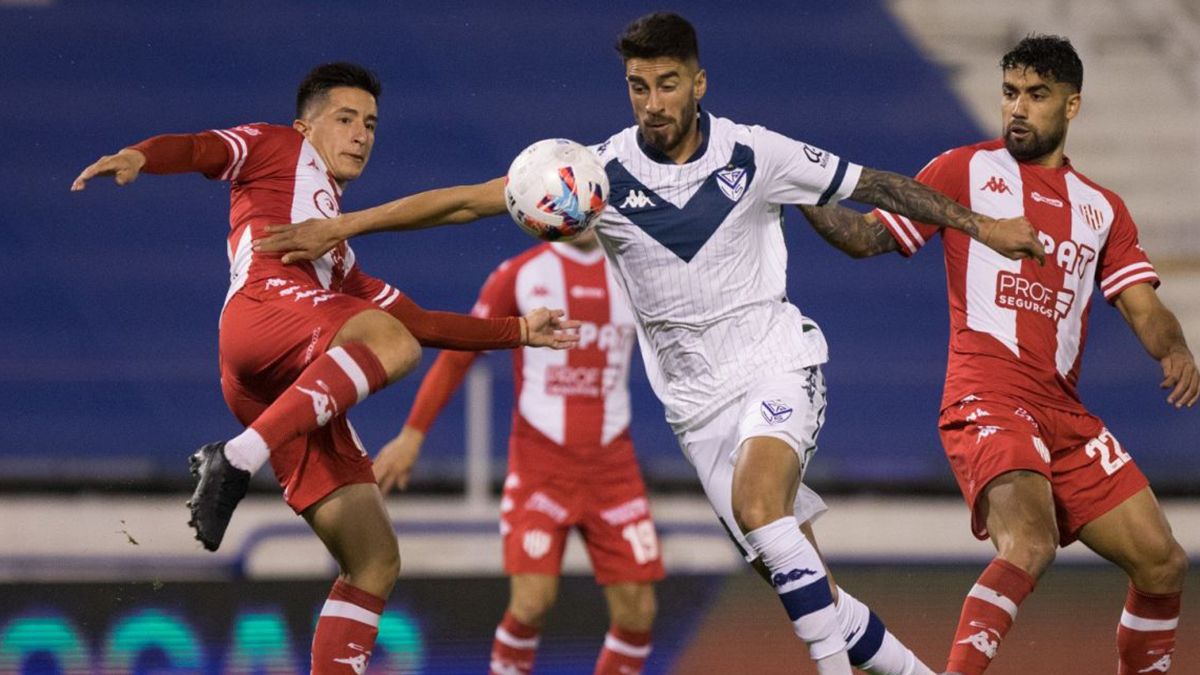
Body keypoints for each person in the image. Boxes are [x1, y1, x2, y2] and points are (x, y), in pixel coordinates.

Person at [256, 15, 1048, 674]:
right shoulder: (598, 175)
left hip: (775, 360)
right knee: (809, 586)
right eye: (639, 86)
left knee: (760, 504)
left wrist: (984, 227)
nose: (653, 102)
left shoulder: (755, 152)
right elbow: (466, 202)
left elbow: (876, 185)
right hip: (697, 408)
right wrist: (344, 224)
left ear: (699, 83)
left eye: (668, 84)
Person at [70, 62, 578, 673]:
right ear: (305, 127)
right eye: (345, 119)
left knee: (374, 560)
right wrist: (141, 155)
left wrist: (519, 331)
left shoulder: (338, 261)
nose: (361, 134)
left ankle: (242, 457)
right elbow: (203, 149)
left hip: (276, 392)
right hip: (260, 314)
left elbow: (422, 321)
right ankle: (236, 458)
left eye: (371, 124)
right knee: (393, 346)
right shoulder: (276, 146)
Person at [797, 35, 1195, 674]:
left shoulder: (1102, 209)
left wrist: (1174, 350)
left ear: (1072, 106)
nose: (1018, 108)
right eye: (1010, 93)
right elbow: (865, 238)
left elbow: (1143, 308)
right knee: (1030, 542)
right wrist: (799, 189)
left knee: (1163, 562)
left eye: (1036, 95)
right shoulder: (962, 171)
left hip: (1063, 414)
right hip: (987, 396)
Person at [378, 229, 663, 675]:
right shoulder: (520, 274)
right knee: (532, 602)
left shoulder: (635, 269)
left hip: (614, 469)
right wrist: (412, 436)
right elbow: (458, 356)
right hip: (540, 466)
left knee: (638, 612)